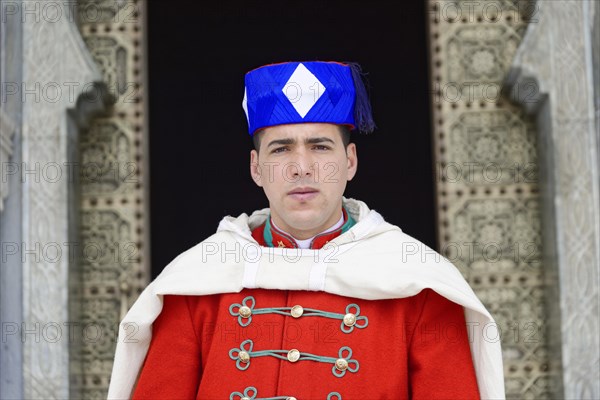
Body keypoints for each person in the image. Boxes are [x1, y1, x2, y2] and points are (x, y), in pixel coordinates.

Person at [107, 61, 504, 399]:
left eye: (320, 146)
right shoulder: (194, 287)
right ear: (255, 167)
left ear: (350, 161)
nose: (302, 167)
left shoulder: (421, 286)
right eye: (280, 149)